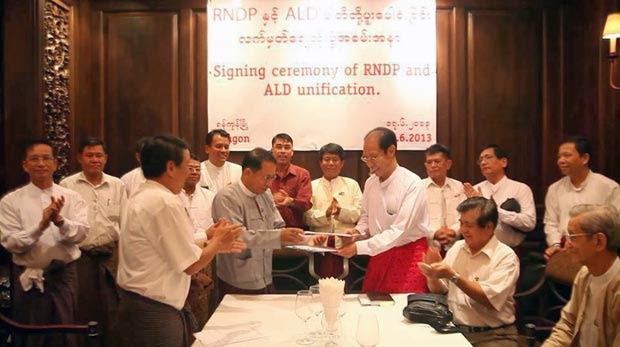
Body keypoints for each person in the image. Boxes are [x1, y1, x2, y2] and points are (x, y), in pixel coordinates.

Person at [116, 135, 245, 347]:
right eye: (186, 166)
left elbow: (166, 248)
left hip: (139, 304)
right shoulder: (164, 202)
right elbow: (189, 264)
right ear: (170, 167)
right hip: (154, 310)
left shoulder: (143, 194)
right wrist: (217, 244)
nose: (189, 173)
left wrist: (208, 237)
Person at [0, 139, 89, 347]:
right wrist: (40, 226)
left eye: (46, 158)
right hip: (27, 276)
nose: (41, 164)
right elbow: (10, 242)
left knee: (66, 332)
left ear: (55, 164)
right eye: (35, 159)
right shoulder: (11, 201)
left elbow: (81, 234)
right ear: (25, 165)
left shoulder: (72, 197)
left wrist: (59, 221)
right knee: (30, 334)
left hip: (63, 275)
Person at [337, 127, 431, 293]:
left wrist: (358, 248)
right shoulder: (370, 183)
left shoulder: (412, 183)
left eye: (373, 157)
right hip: (379, 252)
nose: (369, 163)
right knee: (372, 303)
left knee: (401, 307)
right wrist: (356, 232)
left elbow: (399, 231)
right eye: (366, 157)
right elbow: (366, 218)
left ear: (391, 151)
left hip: (409, 253)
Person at [420, 197, 519, 347]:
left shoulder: (506, 257)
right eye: (461, 223)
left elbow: (489, 298)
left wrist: (453, 276)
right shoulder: (458, 247)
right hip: (454, 330)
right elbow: (441, 290)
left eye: (469, 225)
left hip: (493, 336)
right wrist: (433, 276)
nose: (463, 230)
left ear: (488, 227)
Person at [212, 148, 307, 299]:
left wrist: (306, 239)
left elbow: (278, 226)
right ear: (248, 173)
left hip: (266, 277)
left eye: (272, 178)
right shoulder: (226, 197)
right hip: (237, 281)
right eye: (266, 178)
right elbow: (237, 237)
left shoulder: (266, 193)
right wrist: (279, 236)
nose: (270, 184)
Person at [59, 136, 126, 346]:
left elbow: (125, 223)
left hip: (112, 257)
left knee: (113, 308)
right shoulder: (67, 185)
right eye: (89, 155)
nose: (94, 160)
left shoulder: (118, 185)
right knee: (82, 308)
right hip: (81, 257)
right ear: (80, 157)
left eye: (99, 155)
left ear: (105, 158)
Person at [542, 204, 620, 347]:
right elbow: (567, 326)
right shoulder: (585, 274)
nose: (567, 244)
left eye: (573, 236)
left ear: (599, 242)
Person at [543, 136, 620, 260]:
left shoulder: (609, 187)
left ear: (585, 158)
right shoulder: (555, 188)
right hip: (564, 251)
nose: (561, 161)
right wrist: (555, 244)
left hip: (598, 251)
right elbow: (551, 222)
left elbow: (615, 224)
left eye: (567, 155)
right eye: (559, 157)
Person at [304, 143, 362, 277]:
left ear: (342, 163)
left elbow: (359, 213)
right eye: (327, 159)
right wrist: (326, 214)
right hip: (320, 245)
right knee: (320, 284)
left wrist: (340, 211)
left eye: (335, 160)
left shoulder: (352, 184)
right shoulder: (312, 185)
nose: (331, 163)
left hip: (347, 244)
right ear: (320, 162)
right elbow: (307, 217)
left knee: (346, 287)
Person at [464, 144, 536, 249]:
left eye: (488, 158)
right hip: (479, 248)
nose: (483, 162)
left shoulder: (521, 189)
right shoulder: (474, 190)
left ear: (503, 162)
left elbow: (529, 223)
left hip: (511, 249)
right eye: (480, 160)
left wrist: (493, 210)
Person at [422, 144, 466, 249]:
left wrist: (454, 231)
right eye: (429, 162)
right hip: (428, 246)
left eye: (437, 161)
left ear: (448, 164)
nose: (433, 165)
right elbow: (416, 220)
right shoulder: (418, 187)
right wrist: (434, 233)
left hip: (456, 245)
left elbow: (464, 215)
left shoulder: (459, 186)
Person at [270, 133, 312, 228]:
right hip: (269, 230)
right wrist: (271, 200)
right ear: (272, 151)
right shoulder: (263, 173)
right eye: (279, 147)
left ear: (292, 152)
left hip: (295, 230)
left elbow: (306, 204)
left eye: (287, 147)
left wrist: (291, 201)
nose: (283, 151)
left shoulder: (302, 174)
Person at [180, 153, 216, 242]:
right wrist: (204, 235)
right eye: (190, 169)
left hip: (206, 248)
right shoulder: (172, 196)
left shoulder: (210, 196)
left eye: (198, 169)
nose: (194, 172)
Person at [199, 129, 242, 193]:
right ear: (207, 149)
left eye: (226, 147)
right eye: (219, 146)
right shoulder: (199, 170)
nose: (223, 150)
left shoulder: (238, 170)